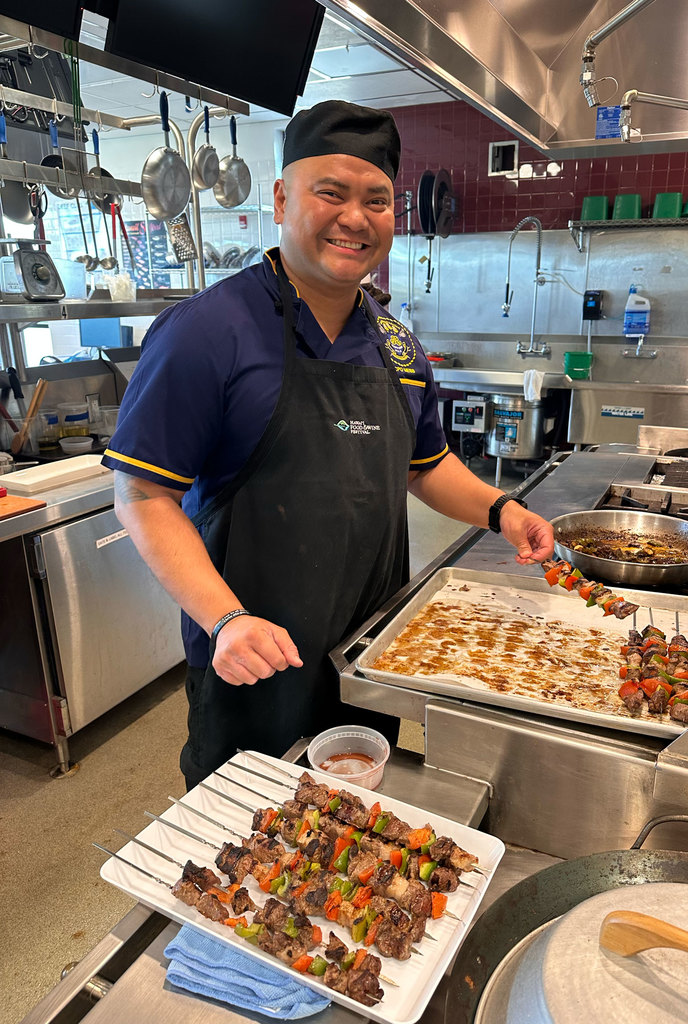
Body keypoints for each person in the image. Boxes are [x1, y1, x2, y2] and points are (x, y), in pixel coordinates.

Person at [104, 99, 554, 790]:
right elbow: (142, 494)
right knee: (248, 839)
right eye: (331, 193)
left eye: (376, 200)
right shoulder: (206, 332)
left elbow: (425, 465)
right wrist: (225, 620)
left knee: (359, 829)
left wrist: (504, 511)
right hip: (253, 655)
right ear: (283, 199)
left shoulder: (397, 344)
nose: (355, 217)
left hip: (368, 655)